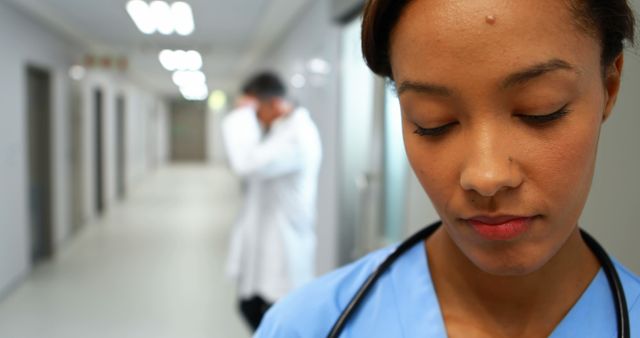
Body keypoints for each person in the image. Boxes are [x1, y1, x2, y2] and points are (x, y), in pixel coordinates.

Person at [255, 0, 639, 337]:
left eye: (540, 109)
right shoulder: (306, 325)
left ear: (609, 84)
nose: (486, 177)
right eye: (432, 120)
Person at [222, 72, 322, 331]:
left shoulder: (297, 136)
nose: (254, 118)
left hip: (285, 252)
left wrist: (240, 115)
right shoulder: (280, 131)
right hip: (267, 247)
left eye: (255, 110)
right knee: (251, 309)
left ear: (274, 104)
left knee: (276, 322)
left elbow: (245, 163)